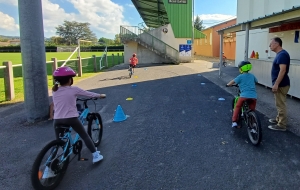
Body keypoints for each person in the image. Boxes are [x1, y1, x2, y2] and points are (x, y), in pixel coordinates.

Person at [43, 66, 106, 178]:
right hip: (71, 118)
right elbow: (88, 94)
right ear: (70, 79)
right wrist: (100, 95)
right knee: (84, 135)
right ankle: (95, 155)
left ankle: (48, 169)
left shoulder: (55, 90)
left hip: (57, 120)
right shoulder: (74, 89)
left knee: (58, 143)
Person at [226, 61, 258, 128]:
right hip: (253, 96)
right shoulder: (252, 75)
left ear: (241, 69)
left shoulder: (240, 76)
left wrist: (228, 84)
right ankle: (253, 123)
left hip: (244, 96)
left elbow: (232, 82)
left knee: (237, 106)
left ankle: (234, 121)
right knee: (252, 110)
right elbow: (256, 81)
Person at [268, 37, 290, 131]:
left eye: (271, 44)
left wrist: (276, 84)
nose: (270, 46)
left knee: (281, 104)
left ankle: (282, 125)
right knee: (279, 103)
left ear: (277, 44)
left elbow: (282, 70)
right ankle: (278, 119)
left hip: (281, 84)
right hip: (280, 84)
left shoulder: (282, 55)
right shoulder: (280, 54)